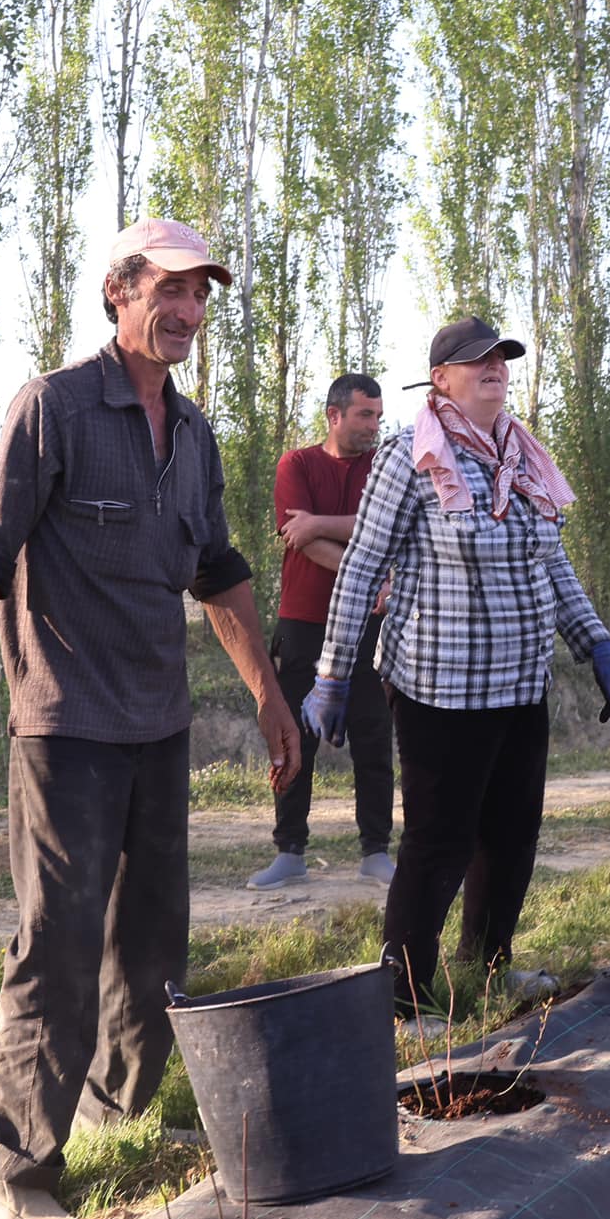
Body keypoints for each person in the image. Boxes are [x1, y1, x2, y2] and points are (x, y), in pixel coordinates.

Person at [0, 217, 302, 1219]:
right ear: (118, 294)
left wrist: (271, 699)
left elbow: (218, 574)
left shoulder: (192, 435)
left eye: (200, 296)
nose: (186, 312)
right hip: (64, 725)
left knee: (151, 945)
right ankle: (0, 1172)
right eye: (168, 290)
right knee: (56, 943)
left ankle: (111, 1111)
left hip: (157, 723)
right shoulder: (52, 408)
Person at [302, 315, 610, 1016]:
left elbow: (552, 564)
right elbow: (361, 567)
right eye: (476, 359)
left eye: (501, 358)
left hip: (520, 685)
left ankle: (488, 967)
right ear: (441, 379)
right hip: (440, 689)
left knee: (511, 836)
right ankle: (403, 998)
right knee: (438, 843)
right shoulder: (410, 458)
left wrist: (596, 643)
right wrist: (332, 674)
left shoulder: (524, 457)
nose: (494, 367)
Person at [248, 372, 398, 890]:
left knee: (374, 739)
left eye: (378, 416)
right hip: (304, 624)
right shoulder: (296, 464)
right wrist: (359, 559)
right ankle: (289, 852)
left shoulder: (383, 467)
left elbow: (385, 528)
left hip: (368, 625)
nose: (374, 426)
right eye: (365, 415)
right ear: (334, 415)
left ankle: (376, 852)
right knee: (295, 738)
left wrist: (319, 522)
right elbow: (300, 539)